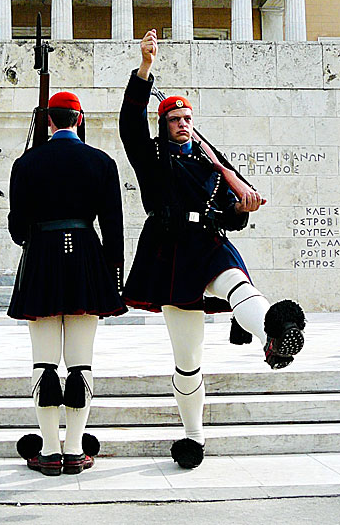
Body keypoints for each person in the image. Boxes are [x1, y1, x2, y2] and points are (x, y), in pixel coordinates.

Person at [119, 30, 306, 470]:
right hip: (170, 252)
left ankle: (274, 336)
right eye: (174, 120)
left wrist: (242, 207)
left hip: (210, 242)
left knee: (241, 287)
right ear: (164, 126)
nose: (182, 124)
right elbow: (129, 122)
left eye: (187, 118)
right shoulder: (152, 159)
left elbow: (231, 215)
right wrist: (145, 68)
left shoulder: (212, 163)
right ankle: (193, 436)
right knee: (189, 358)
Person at [8, 91, 125, 476]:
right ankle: (74, 450)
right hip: (87, 260)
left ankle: (47, 450)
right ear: (78, 120)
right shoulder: (102, 162)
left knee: (44, 362)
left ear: (49, 122)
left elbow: (16, 227)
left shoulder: (26, 163)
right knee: (80, 362)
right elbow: (113, 227)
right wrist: (112, 273)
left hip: (42, 256)